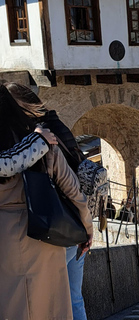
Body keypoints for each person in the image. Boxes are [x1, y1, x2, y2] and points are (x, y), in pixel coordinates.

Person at [0, 84, 92, 319]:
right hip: (44, 234)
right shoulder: (43, 142)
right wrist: (87, 230)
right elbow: (73, 190)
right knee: (54, 306)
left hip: (5, 240)